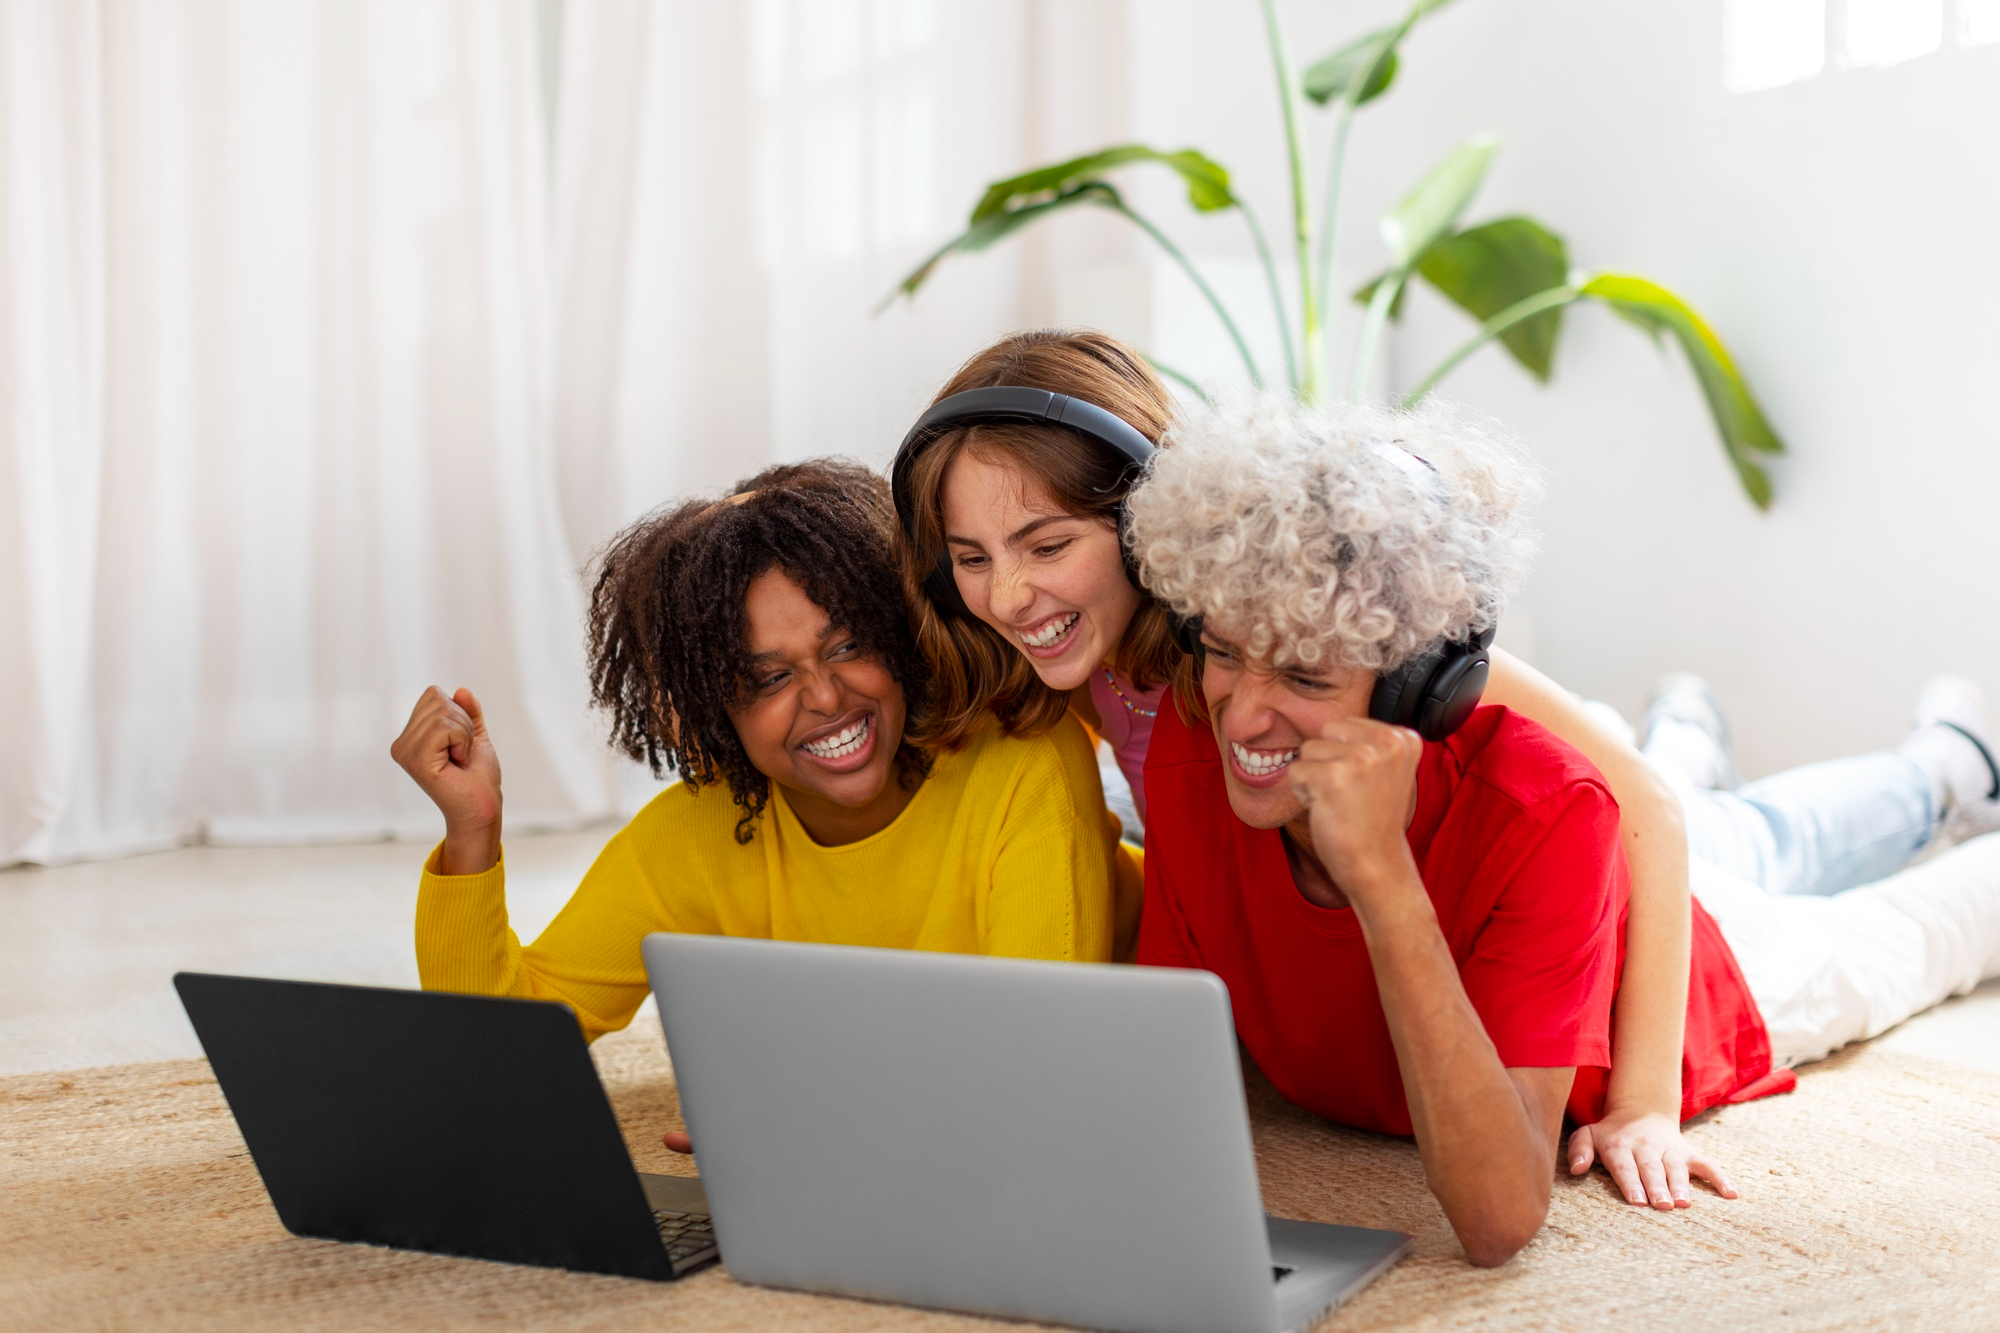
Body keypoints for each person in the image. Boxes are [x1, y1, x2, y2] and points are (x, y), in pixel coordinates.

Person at [891, 327, 2000, 1213]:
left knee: (1767, 849)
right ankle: (1688, 716)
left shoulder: (1323, 613)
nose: (1006, 593)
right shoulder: (1098, 672)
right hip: (1473, 862)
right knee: (1733, 815)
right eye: (974, 558)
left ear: (1143, 520)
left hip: (1629, 896)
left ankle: (1946, 762)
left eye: (1046, 546)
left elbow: (1637, 814)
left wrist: (1648, 1100)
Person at [391, 459, 1132, 1050]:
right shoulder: (701, 830)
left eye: (848, 645)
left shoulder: (1025, 761)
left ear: (899, 632)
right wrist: (473, 833)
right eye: (769, 677)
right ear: (714, 706)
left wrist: (809, 1114)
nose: (825, 695)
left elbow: (1036, 1049)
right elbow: (502, 1044)